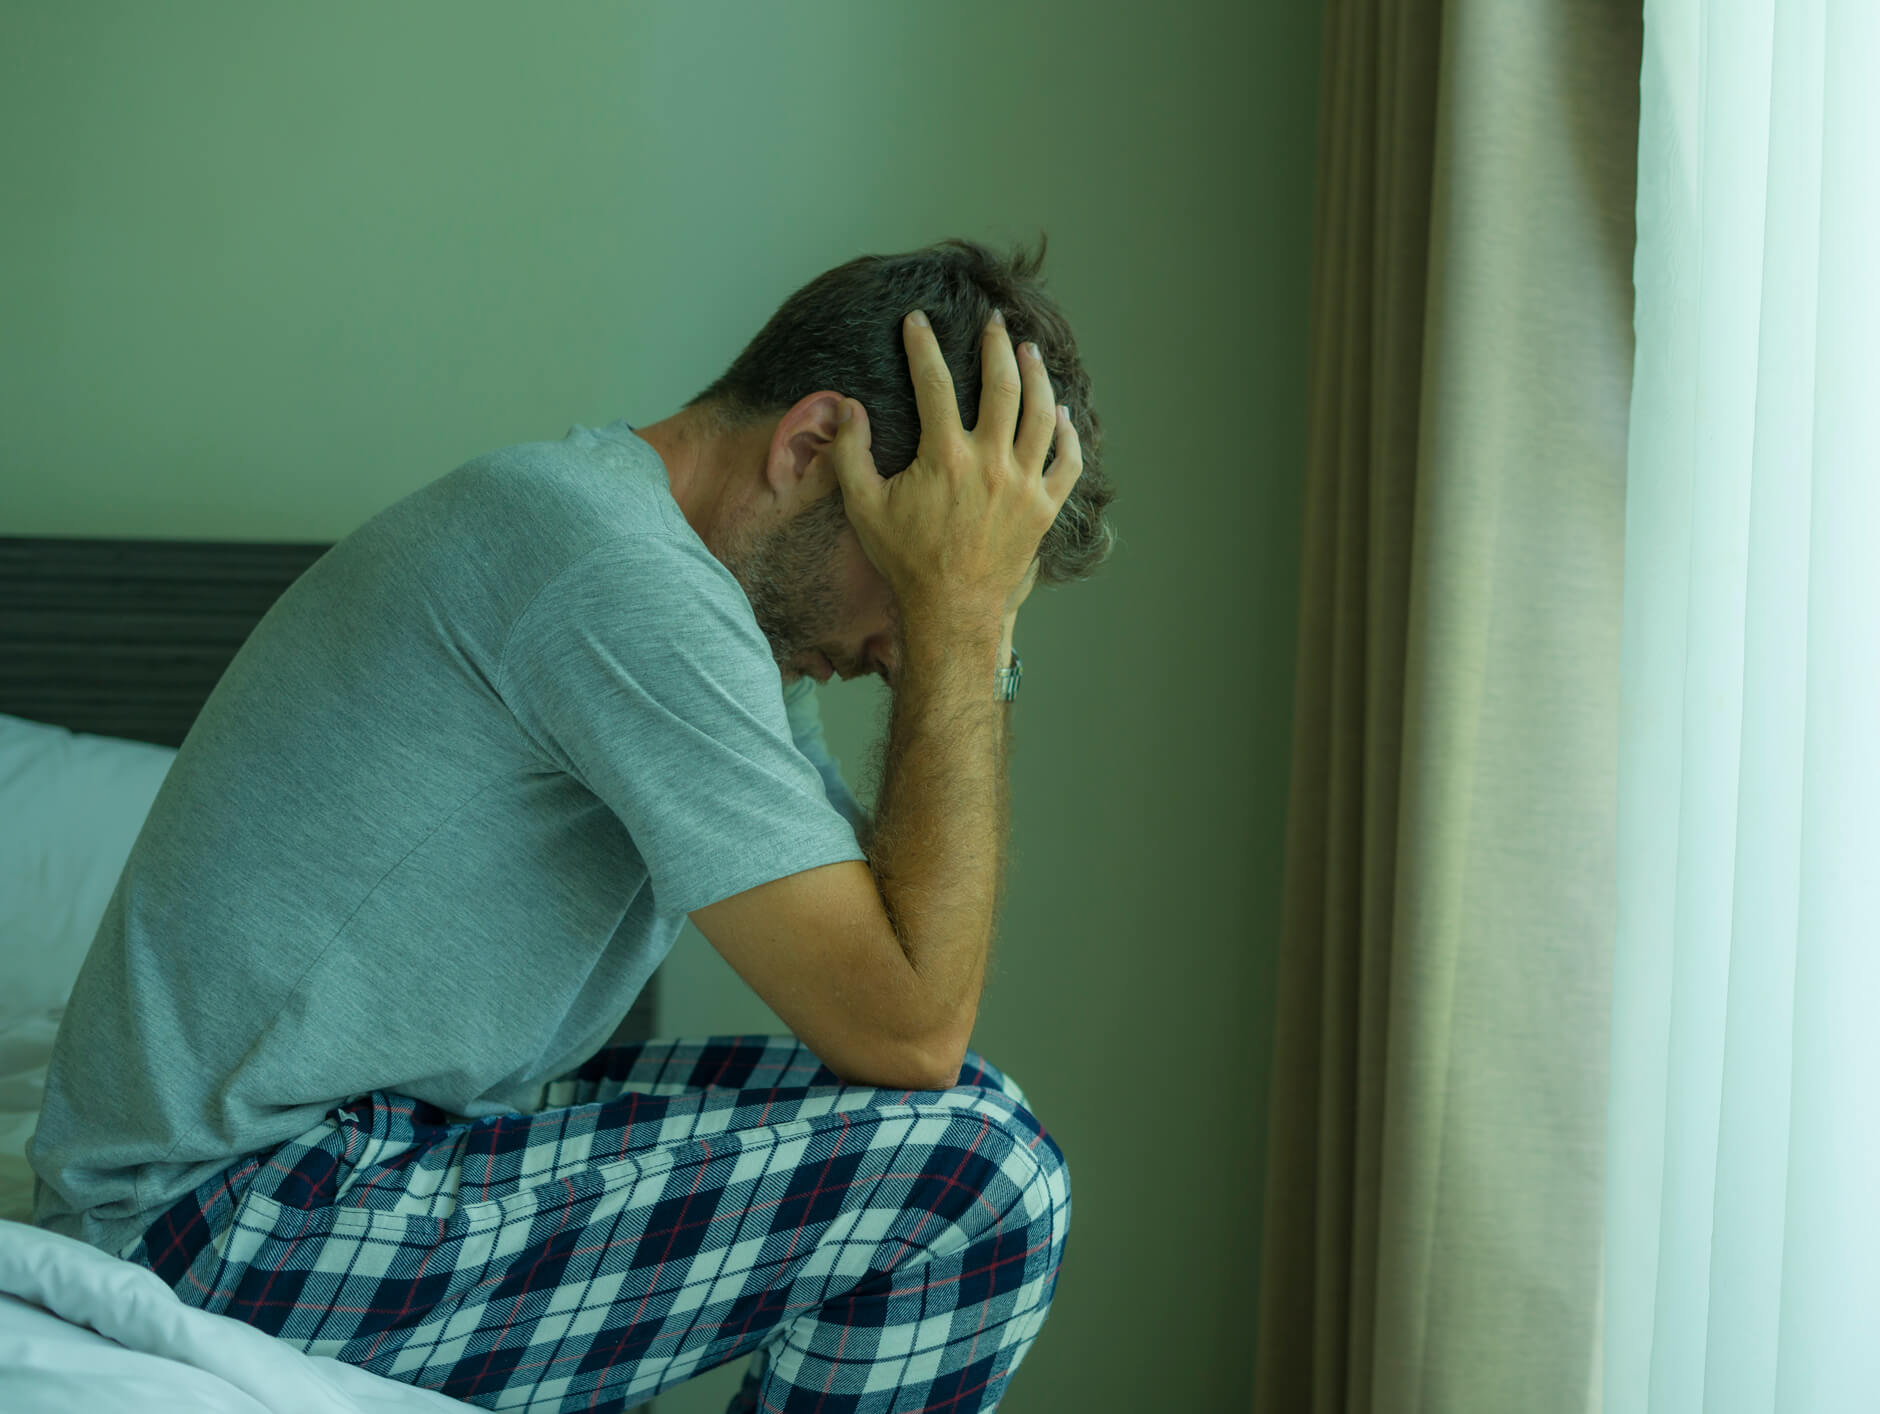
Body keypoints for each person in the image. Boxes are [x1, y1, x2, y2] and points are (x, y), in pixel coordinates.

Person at [28, 236, 1116, 1413]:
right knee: (974, 1181)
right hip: (222, 1221)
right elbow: (904, 1027)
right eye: (905, 578)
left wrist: (964, 621)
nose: (887, 656)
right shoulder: (612, 574)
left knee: (974, 1122)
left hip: (362, 1163)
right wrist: (953, 623)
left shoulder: (657, 576)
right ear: (811, 449)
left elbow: (909, 1006)